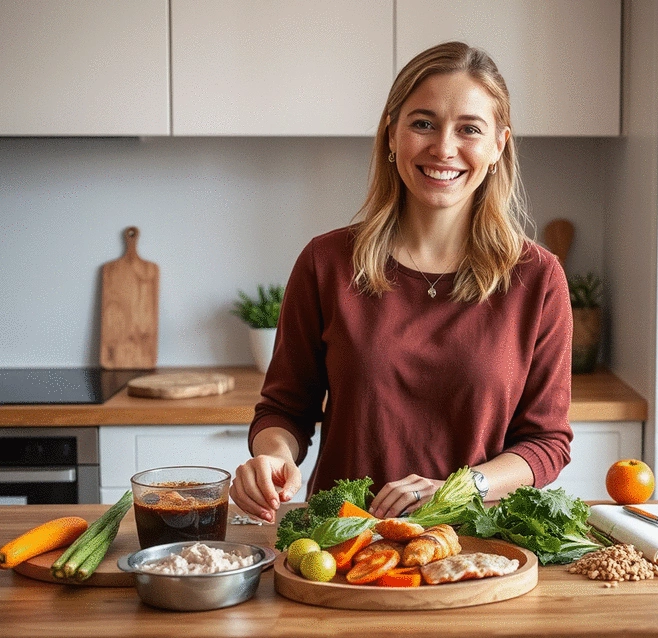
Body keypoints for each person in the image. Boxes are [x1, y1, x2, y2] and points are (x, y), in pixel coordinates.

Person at [230, 41, 573, 523]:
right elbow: (284, 410)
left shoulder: (537, 278)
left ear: (499, 144)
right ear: (392, 135)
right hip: (342, 543)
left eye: (469, 129)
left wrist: (460, 486)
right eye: (423, 123)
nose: (444, 147)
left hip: (479, 544)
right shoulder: (326, 263)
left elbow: (546, 443)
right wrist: (273, 456)